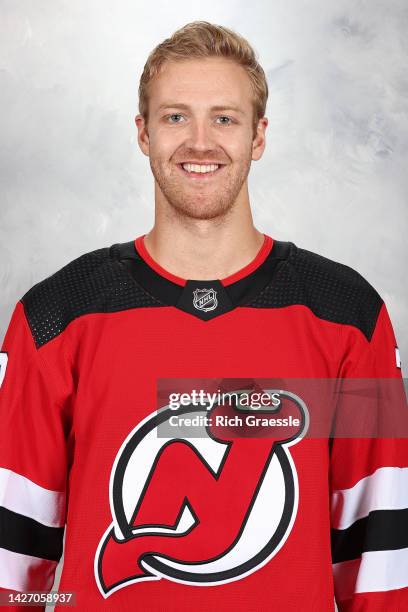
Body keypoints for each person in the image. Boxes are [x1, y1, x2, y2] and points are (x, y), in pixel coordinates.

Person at [0, 20, 406, 611]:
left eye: (224, 117)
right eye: (174, 116)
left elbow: (382, 562)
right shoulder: (56, 316)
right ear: (143, 133)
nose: (199, 142)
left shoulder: (350, 316)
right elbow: (12, 563)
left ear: (258, 136)